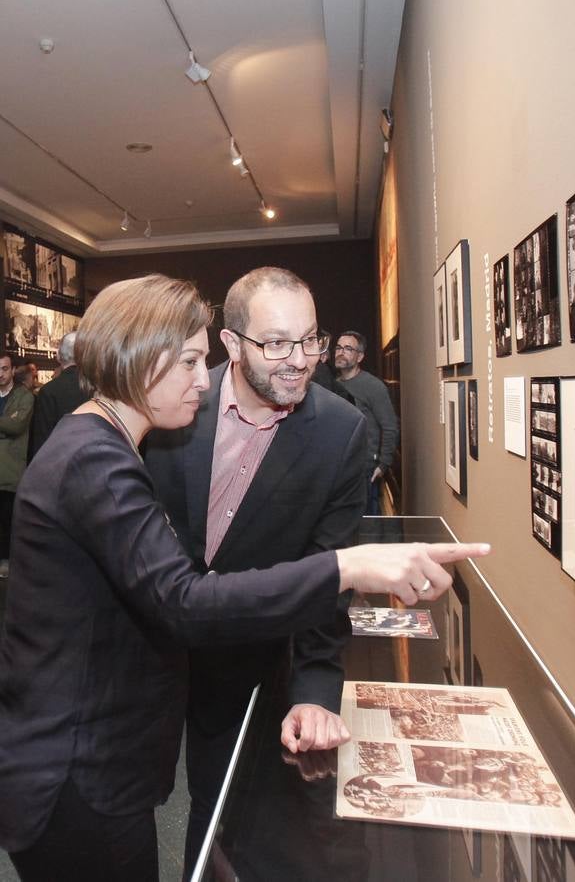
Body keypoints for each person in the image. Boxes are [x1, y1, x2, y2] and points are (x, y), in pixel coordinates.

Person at [0, 274, 489, 882]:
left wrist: (312, 684)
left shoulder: (104, 441)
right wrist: (349, 565)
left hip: (131, 736)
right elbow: (181, 599)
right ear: (140, 361)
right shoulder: (97, 455)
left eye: (309, 340)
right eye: (188, 362)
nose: (202, 379)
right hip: (76, 761)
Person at [145, 267, 367, 872]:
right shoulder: (173, 402)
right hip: (146, 653)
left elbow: (327, 576)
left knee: (220, 818)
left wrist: (315, 692)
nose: (299, 359)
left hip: (245, 663)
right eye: (276, 342)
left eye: (310, 339)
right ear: (232, 343)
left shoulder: (341, 433)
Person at [335, 331, 399, 514]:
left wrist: (383, 464)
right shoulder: (334, 385)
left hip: (365, 470)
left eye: (348, 348)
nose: (341, 352)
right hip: (339, 470)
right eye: (338, 347)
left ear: (360, 356)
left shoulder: (373, 386)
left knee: (365, 523)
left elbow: (390, 427)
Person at [0, 351, 35, 575]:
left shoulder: (24, 396)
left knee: (8, 520)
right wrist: (7, 423)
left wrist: (9, 426)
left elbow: (17, 426)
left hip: (11, 470)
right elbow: (10, 426)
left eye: (4, 369)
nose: (0, 374)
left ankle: (6, 559)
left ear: (13, 370)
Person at [29, 331, 86, 458]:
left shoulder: (48, 391)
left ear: (58, 356)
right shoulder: (95, 388)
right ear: (83, 356)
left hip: (59, 459)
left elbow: (41, 438)